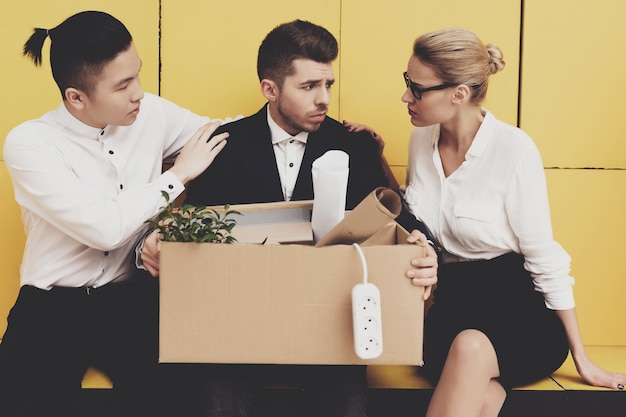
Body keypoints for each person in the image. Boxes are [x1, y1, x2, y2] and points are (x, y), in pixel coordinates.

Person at [141, 19, 438, 417]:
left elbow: (397, 215)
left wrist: (422, 243)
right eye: (309, 86)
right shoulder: (223, 147)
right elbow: (198, 226)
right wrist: (162, 238)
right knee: (218, 401)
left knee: (347, 405)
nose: (324, 99)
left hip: (331, 323)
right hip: (237, 325)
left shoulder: (354, 145)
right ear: (271, 89)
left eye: (327, 84)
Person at [0, 10, 228, 417]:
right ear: (76, 97)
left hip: (129, 300)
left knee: (184, 392)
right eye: (123, 85)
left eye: (137, 75)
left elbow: (224, 137)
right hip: (52, 307)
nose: (138, 93)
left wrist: (335, 131)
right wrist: (176, 176)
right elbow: (104, 228)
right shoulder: (30, 144)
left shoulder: (151, 113)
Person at [397, 27, 626, 417]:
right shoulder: (420, 142)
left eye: (417, 89)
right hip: (449, 311)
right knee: (480, 393)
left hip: (518, 312)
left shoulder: (514, 149)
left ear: (459, 94)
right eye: (407, 82)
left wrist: (583, 359)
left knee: (470, 348)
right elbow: (413, 220)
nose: (406, 96)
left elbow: (544, 256)